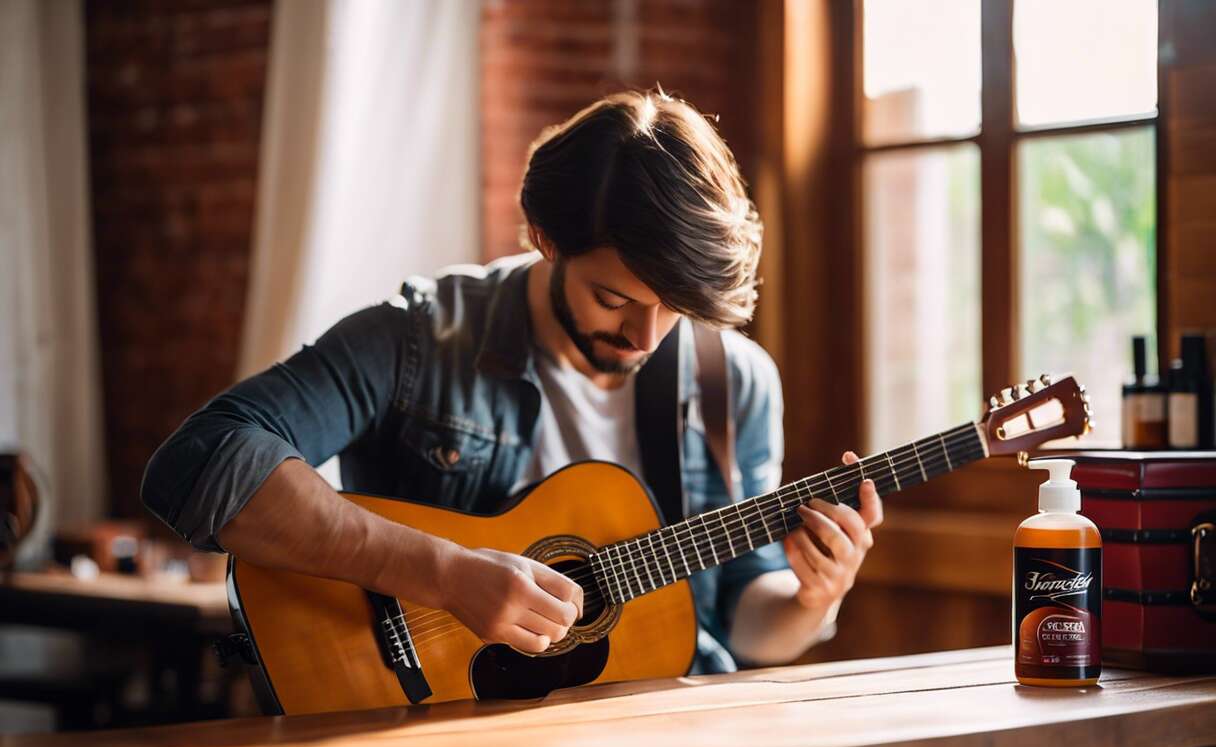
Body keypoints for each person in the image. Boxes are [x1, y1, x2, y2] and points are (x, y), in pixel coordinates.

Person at [141, 89, 883, 678]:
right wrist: (444, 573)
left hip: (671, 741)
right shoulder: (418, 339)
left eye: (676, 311)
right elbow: (202, 461)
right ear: (546, 242)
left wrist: (815, 596)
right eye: (614, 299)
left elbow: (747, 628)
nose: (645, 338)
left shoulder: (735, 383)